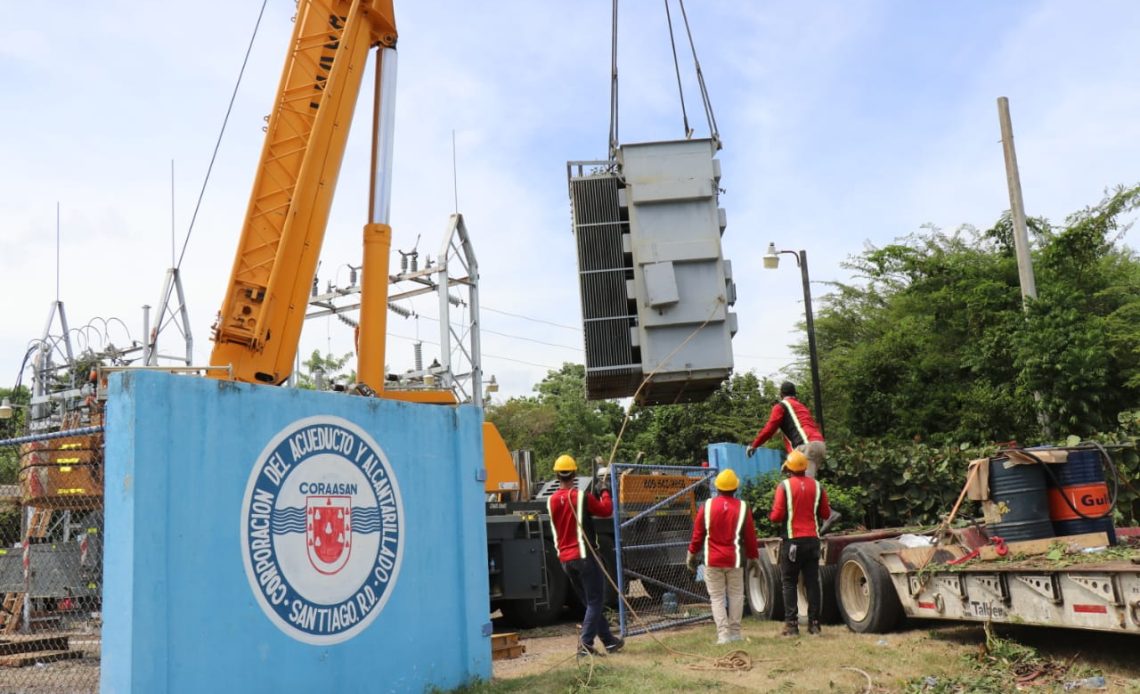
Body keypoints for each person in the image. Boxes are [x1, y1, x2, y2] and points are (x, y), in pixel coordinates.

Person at [546, 454, 624, 657]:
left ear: (556, 475)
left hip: (565, 560)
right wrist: (604, 490)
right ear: (575, 473)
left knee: (591, 603)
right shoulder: (581, 497)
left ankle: (608, 641)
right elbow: (606, 510)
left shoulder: (551, 500)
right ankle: (585, 645)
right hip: (584, 556)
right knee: (596, 601)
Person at [686, 468, 760, 644]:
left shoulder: (707, 506)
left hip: (712, 560)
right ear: (735, 488)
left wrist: (691, 555)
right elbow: (750, 536)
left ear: (717, 487)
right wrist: (754, 558)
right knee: (736, 596)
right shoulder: (743, 507)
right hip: (734, 560)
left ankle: (723, 635)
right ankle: (735, 633)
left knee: (717, 597)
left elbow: (697, 535)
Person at [768, 449, 831, 636]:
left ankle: (792, 625)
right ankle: (814, 624)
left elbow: (777, 516)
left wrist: (771, 515)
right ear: (804, 468)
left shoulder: (784, 486)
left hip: (793, 542)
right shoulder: (817, 486)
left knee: (789, 582)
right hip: (813, 541)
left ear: (789, 468)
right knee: (812, 582)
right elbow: (826, 514)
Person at [746, 381, 826, 478]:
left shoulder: (781, 406)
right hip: (820, 445)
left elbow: (770, 428)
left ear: (781, 394)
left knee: (803, 485)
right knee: (792, 475)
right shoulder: (801, 407)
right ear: (795, 394)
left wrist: (754, 444)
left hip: (806, 445)